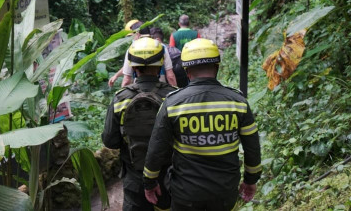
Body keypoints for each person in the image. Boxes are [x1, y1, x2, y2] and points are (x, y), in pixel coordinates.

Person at [143, 38, 262, 211]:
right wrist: (251, 180)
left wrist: (149, 182)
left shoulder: (172, 104)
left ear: (187, 71)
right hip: (224, 192)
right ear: (216, 68)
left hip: (186, 194)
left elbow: (156, 150)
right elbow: (252, 148)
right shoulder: (238, 102)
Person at [103, 37, 176, 211]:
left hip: (134, 180)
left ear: (133, 68)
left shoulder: (121, 99)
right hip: (169, 177)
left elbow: (110, 141)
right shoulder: (173, 97)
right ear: (160, 66)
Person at [108, 21, 177, 87]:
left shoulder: (132, 48)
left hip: (138, 88)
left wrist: (122, 96)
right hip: (159, 86)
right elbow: (170, 76)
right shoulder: (161, 46)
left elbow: (127, 79)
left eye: (132, 35)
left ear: (137, 34)